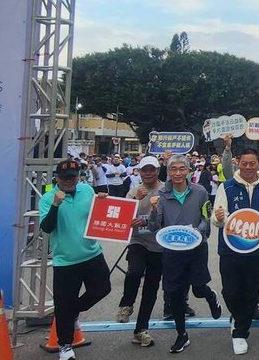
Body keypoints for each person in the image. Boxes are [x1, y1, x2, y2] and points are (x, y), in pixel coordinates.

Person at [148, 154, 222, 354]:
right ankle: (181, 334)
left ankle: (210, 296)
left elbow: (207, 217)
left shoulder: (200, 191)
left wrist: (197, 231)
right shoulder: (161, 195)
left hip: (196, 248)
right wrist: (153, 209)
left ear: (189, 170)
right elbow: (154, 226)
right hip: (172, 250)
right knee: (175, 293)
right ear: (168, 172)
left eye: (182, 169)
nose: (178, 173)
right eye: (173, 169)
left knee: (198, 288)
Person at [39, 160, 112, 360]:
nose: (68, 181)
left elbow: (98, 214)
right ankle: (65, 345)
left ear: (78, 176)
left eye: (72, 177)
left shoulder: (87, 190)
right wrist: (56, 205)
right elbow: (46, 227)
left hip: (92, 254)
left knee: (103, 288)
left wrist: (103, 201)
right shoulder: (47, 198)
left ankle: (72, 312)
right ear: (56, 178)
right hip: (65, 261)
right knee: (63, 302)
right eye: (64, 178)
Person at [212, 147, 259, 355]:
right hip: (229, 249)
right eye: (244, 163)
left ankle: (240, 332)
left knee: (251, 292)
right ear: (237, 163)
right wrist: (219, 218)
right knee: (230, 291)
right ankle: (238, 316)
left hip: (256, 250)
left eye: (252, 163)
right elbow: (216, 218)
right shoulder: (227, 187)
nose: (248, 167)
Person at [115, 156, 163, 348]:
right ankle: (126, 304)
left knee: (151, 287)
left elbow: (167, 216)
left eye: (152, 170)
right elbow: (123, 215)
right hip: (138, 241)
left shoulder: (165, 190)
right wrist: (136, 200)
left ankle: (141, 330)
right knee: (134, 271)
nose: (148, 173)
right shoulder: (134, 191)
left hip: (158, 244)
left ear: (157, 171)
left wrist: (147, 219)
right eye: (144, 170)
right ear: (139, 172)